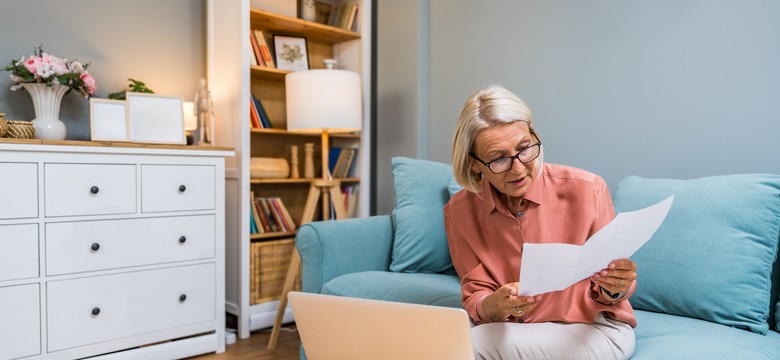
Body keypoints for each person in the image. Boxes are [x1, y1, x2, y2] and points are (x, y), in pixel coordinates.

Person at [444, 85, 637, 360]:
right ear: (474, 163)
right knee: (434, 336)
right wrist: (497, 304)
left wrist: (616, 286)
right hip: (508, 328)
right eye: (499, 159)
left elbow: (612, 290)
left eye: (525, 148)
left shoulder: (588, 189)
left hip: (593, 329)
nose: (519, 168)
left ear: (534, 134)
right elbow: (476, 299)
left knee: (462, 347)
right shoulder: (459, 211)